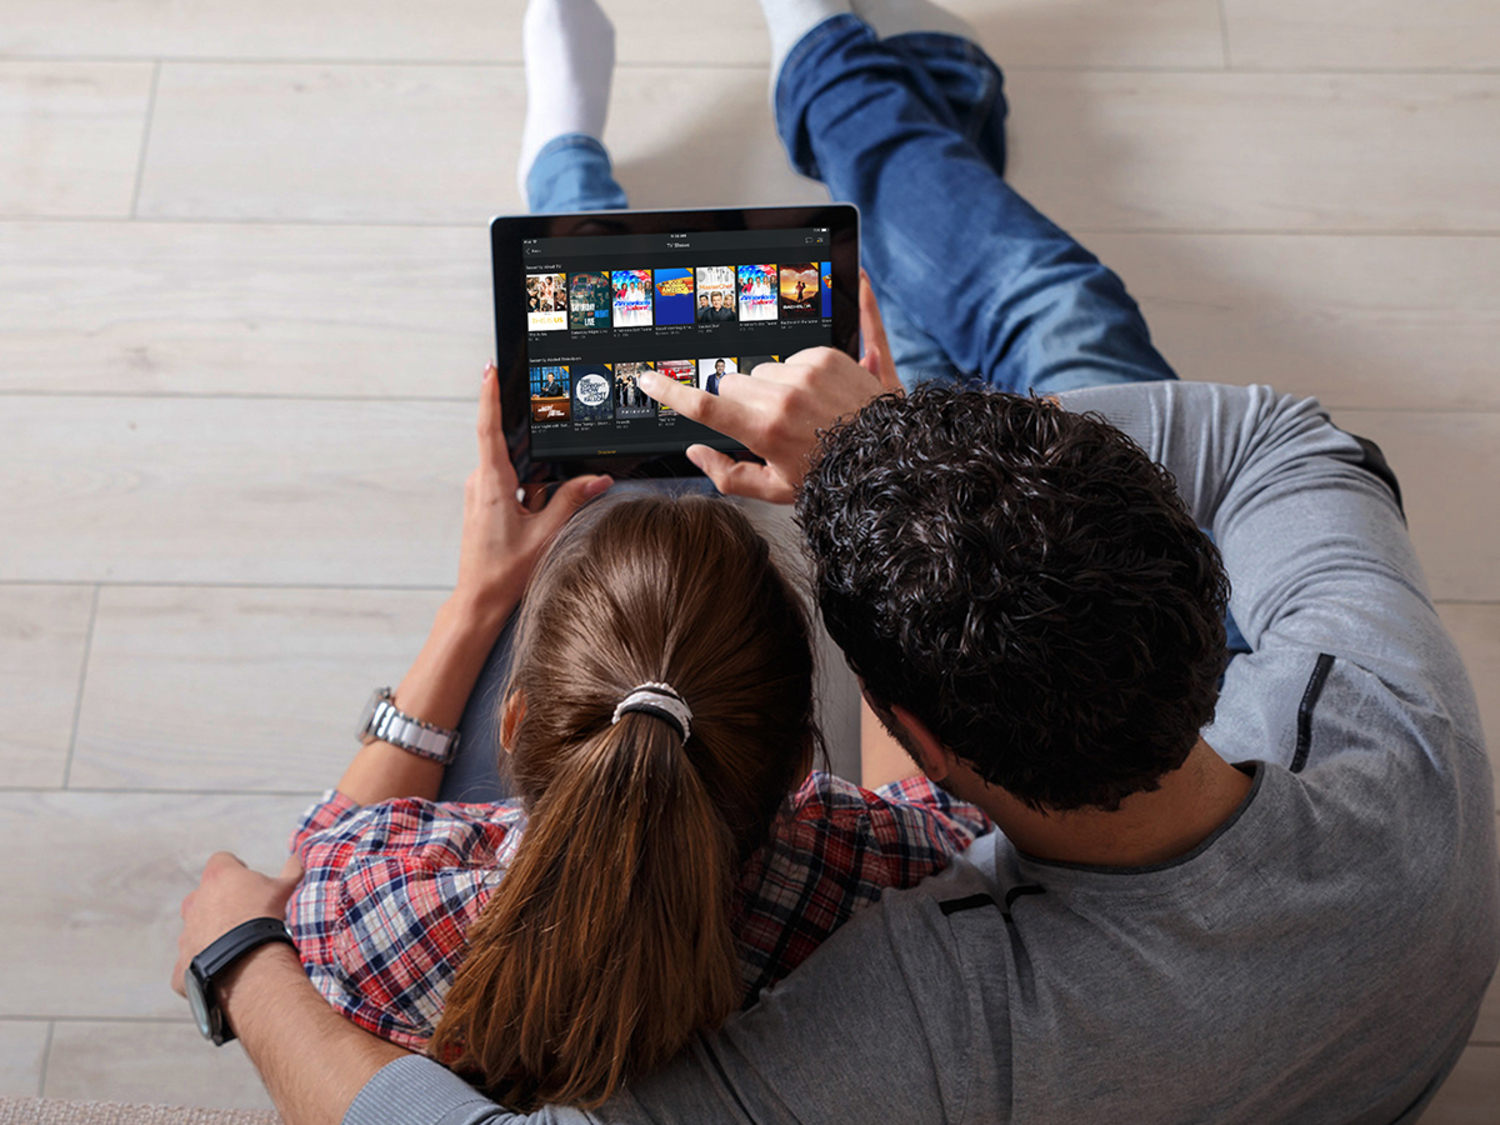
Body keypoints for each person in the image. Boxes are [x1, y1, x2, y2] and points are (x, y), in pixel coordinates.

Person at [172, 0, 1499, 1123]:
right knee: (1064, 318)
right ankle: (841, 71)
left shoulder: (918, 1024)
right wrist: (905, 450)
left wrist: (240, 957)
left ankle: (638, 155)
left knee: (645, 475)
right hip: (1368, 1057)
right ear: (1202, 602)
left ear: (897, 734)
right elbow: (1284, 437)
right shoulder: (1389, 724)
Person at [279, 373, 989, 1110]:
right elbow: (942, 818)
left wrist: (478, 599)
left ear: (515, 723)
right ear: (802, 765)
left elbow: (311, 862)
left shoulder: (376, 907)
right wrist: (877, 517)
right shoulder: (883, 877)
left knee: (621, 519)